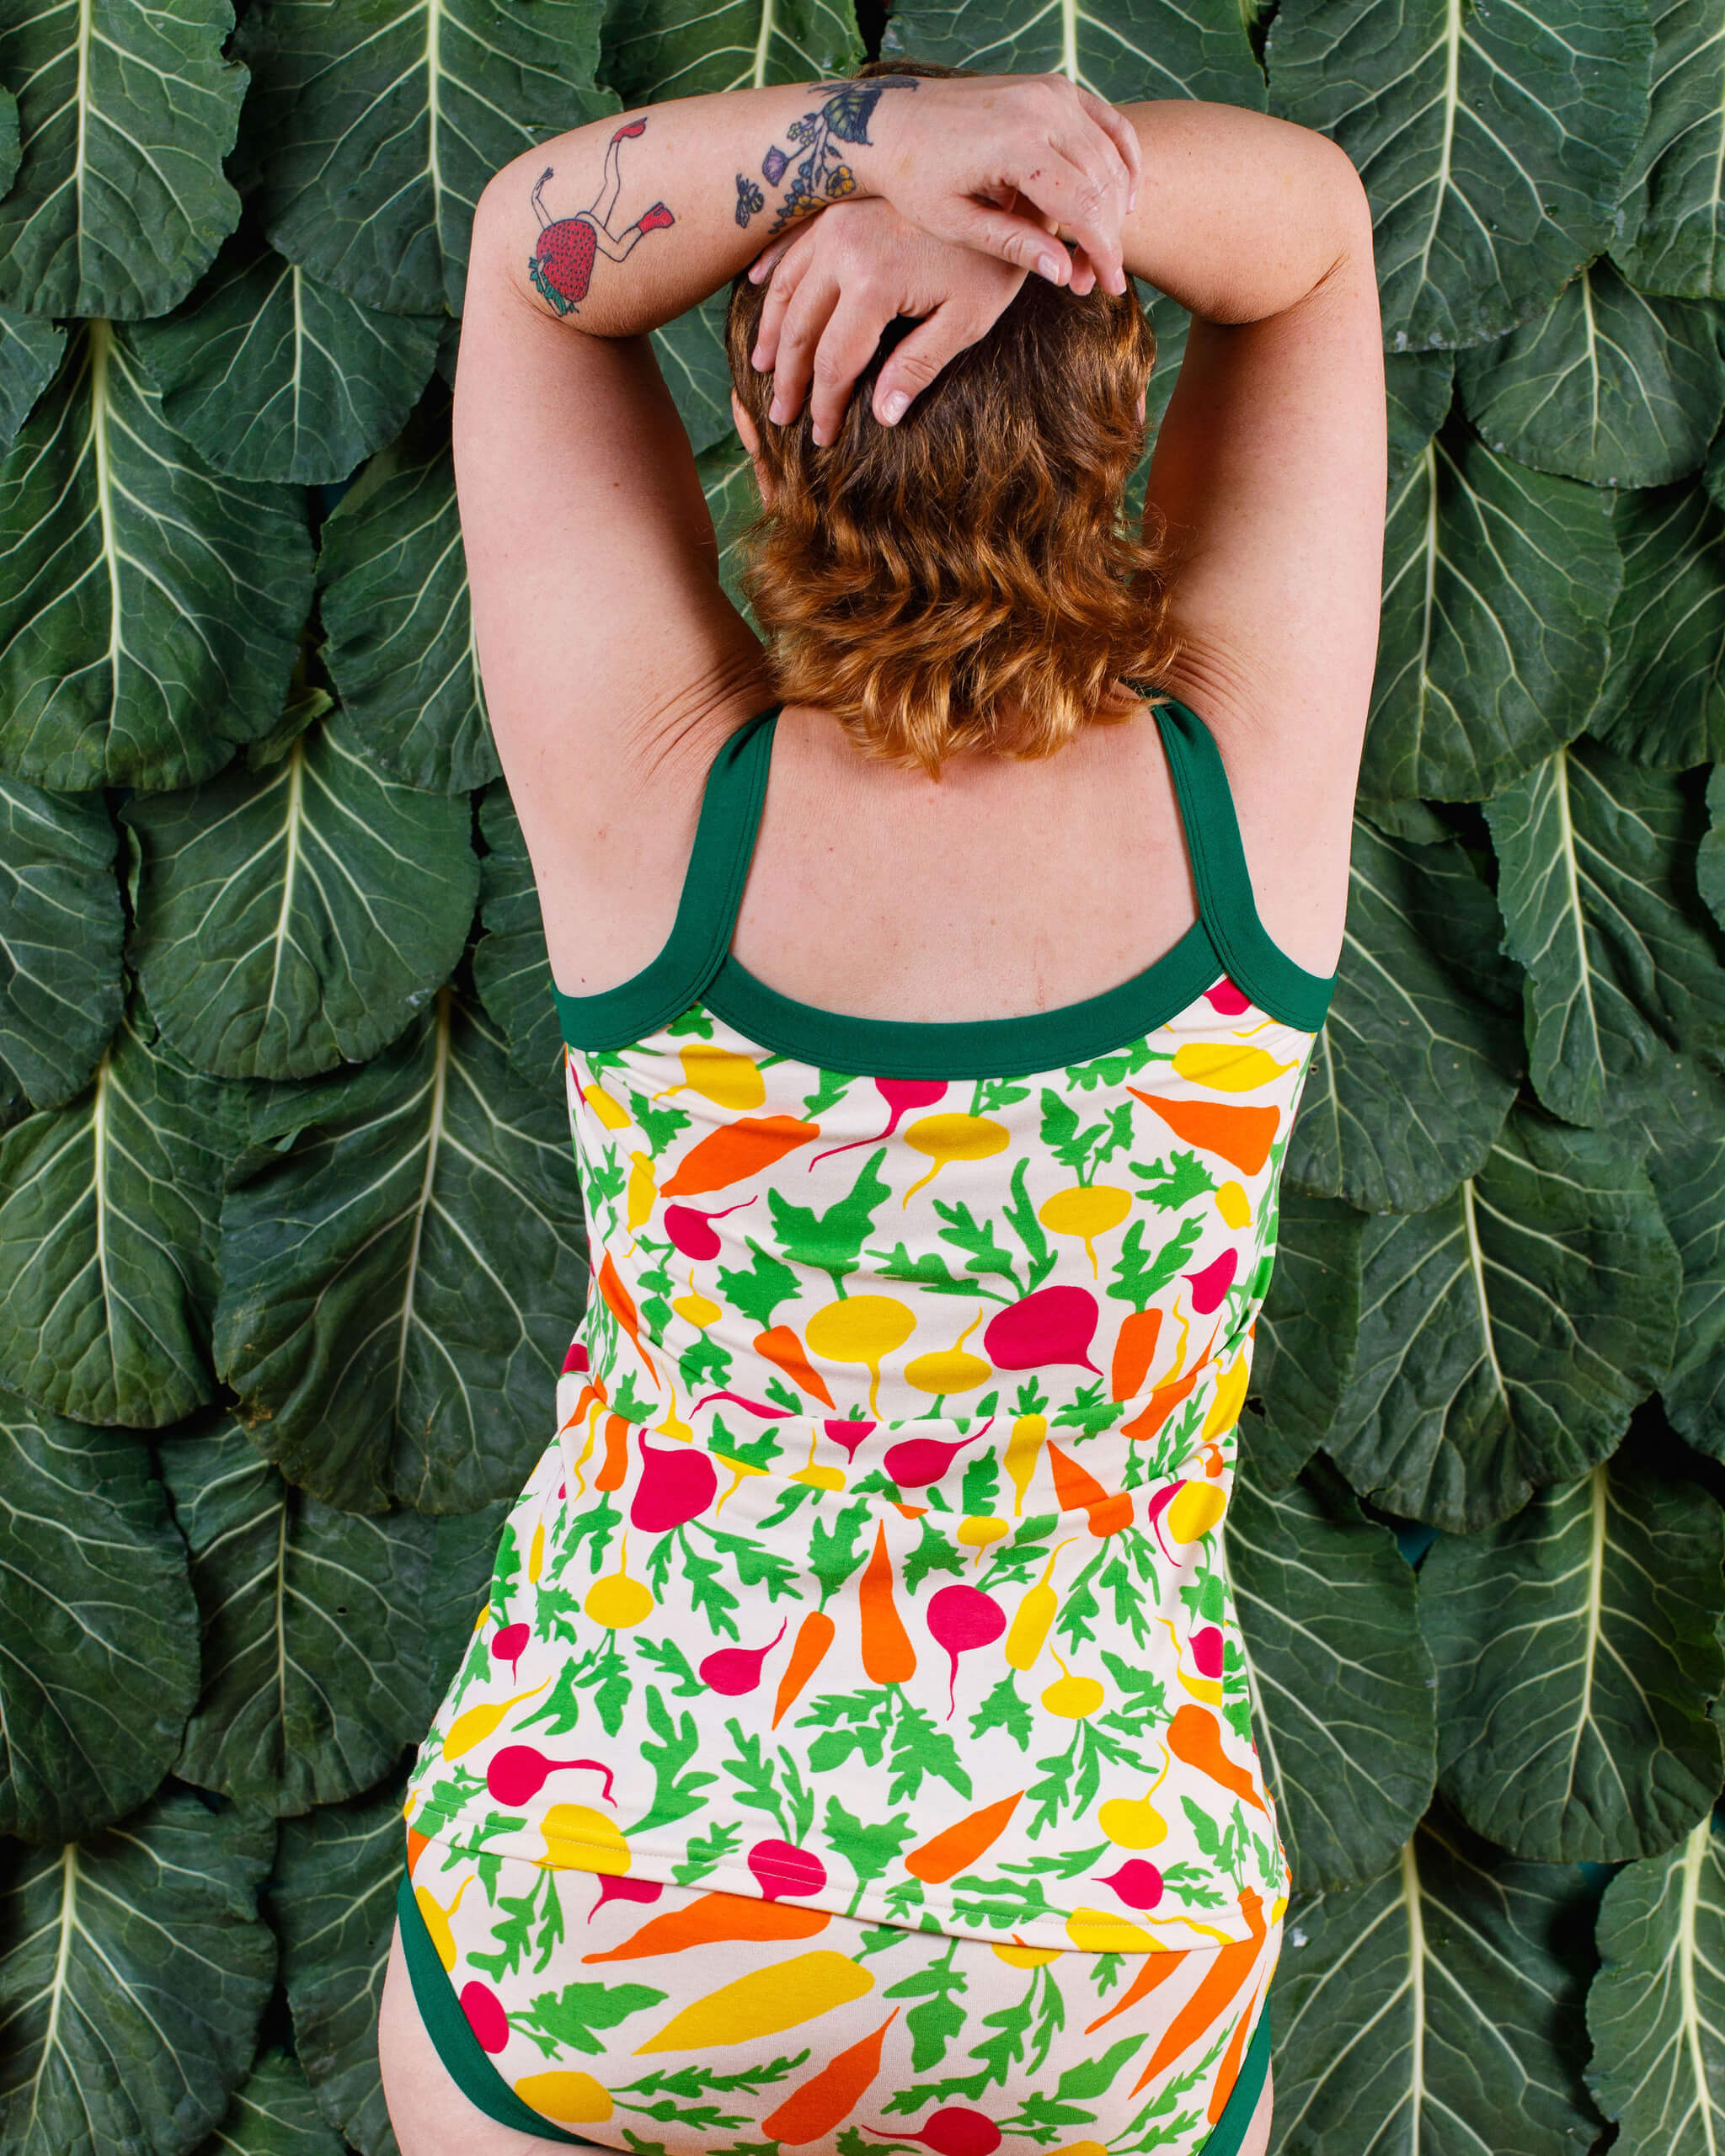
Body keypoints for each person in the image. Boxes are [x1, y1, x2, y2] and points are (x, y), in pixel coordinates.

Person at [378, 55, 1385, 2156]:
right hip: (1102, 1943)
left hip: (610, 1892)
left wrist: (871, 147)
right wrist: (1045, 189)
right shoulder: (1242, 807)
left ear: (763, 429)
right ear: (1120, 438)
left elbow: (530, 247)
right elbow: (1307, 245)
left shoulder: (659, 804)